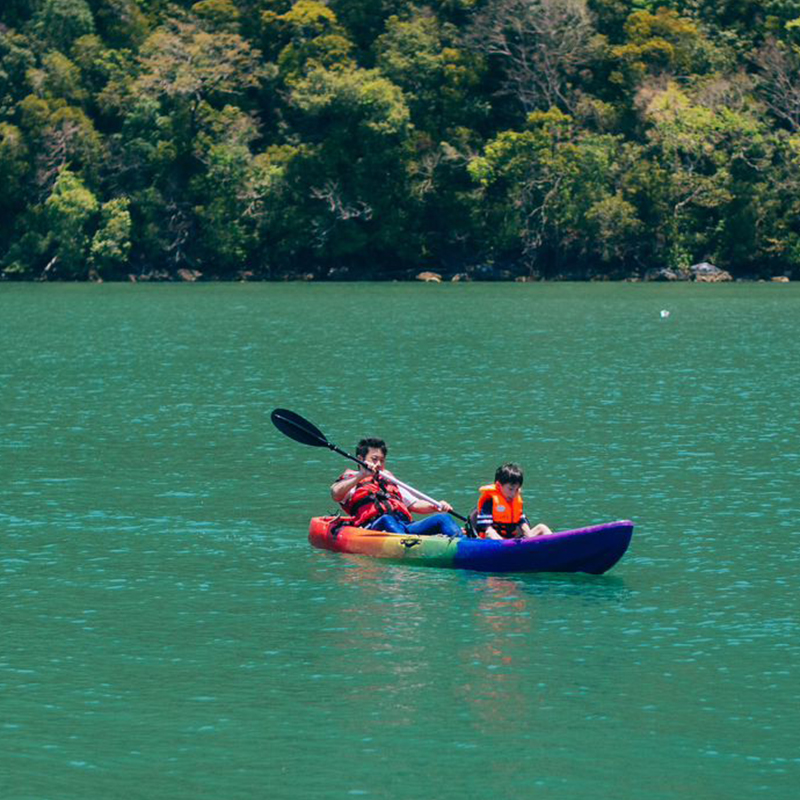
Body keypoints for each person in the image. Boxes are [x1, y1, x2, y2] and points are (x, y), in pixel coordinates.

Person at [330, 437, 463, 537]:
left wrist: (436, 506)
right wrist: (361, 475)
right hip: (373, 528)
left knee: (442, 518)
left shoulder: (389, 480)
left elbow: (415, 504)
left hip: (404, 526)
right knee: (387, 519)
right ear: (360, 458)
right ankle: (408, 546)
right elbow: (336, 494)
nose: (379, 464)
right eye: (374, 459)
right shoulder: (353, 479)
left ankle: (464, 542)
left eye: (382, 460)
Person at [474, 462, 552, 539]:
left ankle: (555, 547)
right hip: (496, 542)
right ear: (498, 486)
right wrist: (501, 541)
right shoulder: (489, 502)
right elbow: (487, 528)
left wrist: (529, 537)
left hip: (513, 540)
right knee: (491, 532)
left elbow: (522, 522)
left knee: (542, 527)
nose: (513, 493)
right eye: (510, 489)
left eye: (517, 489)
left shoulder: (515, 502)